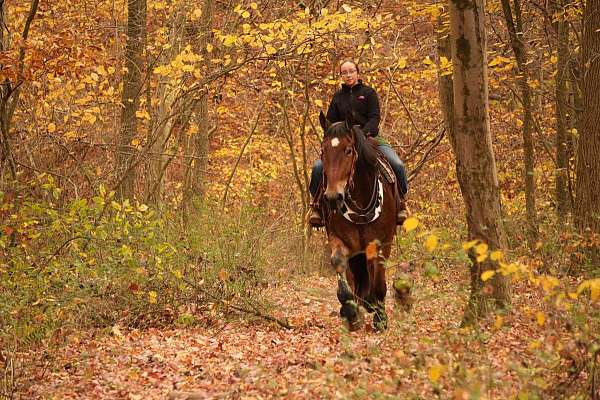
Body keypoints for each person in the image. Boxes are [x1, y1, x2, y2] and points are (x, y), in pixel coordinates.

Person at [309, 60, 409, 227]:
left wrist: (361, 134)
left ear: (357, 72)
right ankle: (317, 206)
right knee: (318, 168)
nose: (348, 75)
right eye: (344, 72)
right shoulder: (337, 97)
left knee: (397, 164)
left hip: (369, 138)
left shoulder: (368, 93)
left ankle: (402, 203)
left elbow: (374, 118)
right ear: (341, 75)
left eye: (351, 71)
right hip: (344, 144)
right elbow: (331, 123)